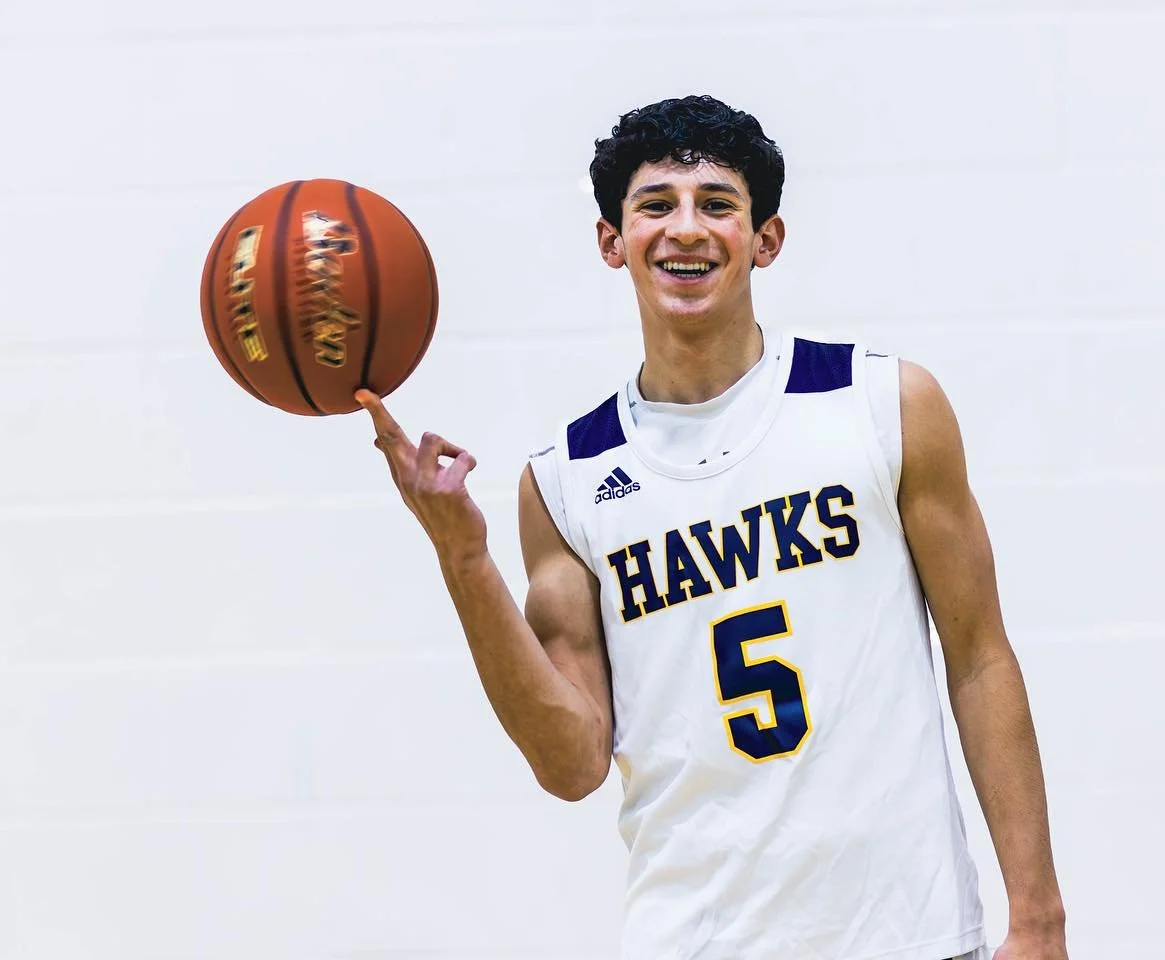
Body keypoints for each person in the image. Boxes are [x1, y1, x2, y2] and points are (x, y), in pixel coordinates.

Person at [357, 94, 1067, 960]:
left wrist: (1038, 919)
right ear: (611, 241)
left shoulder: (882, 404)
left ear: (765, 239)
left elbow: (981, 656)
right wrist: (463, 557)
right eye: (655, 205)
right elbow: (570, 763)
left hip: (906, 933)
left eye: (716, 204)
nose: (685, 229)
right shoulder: (567, 479)